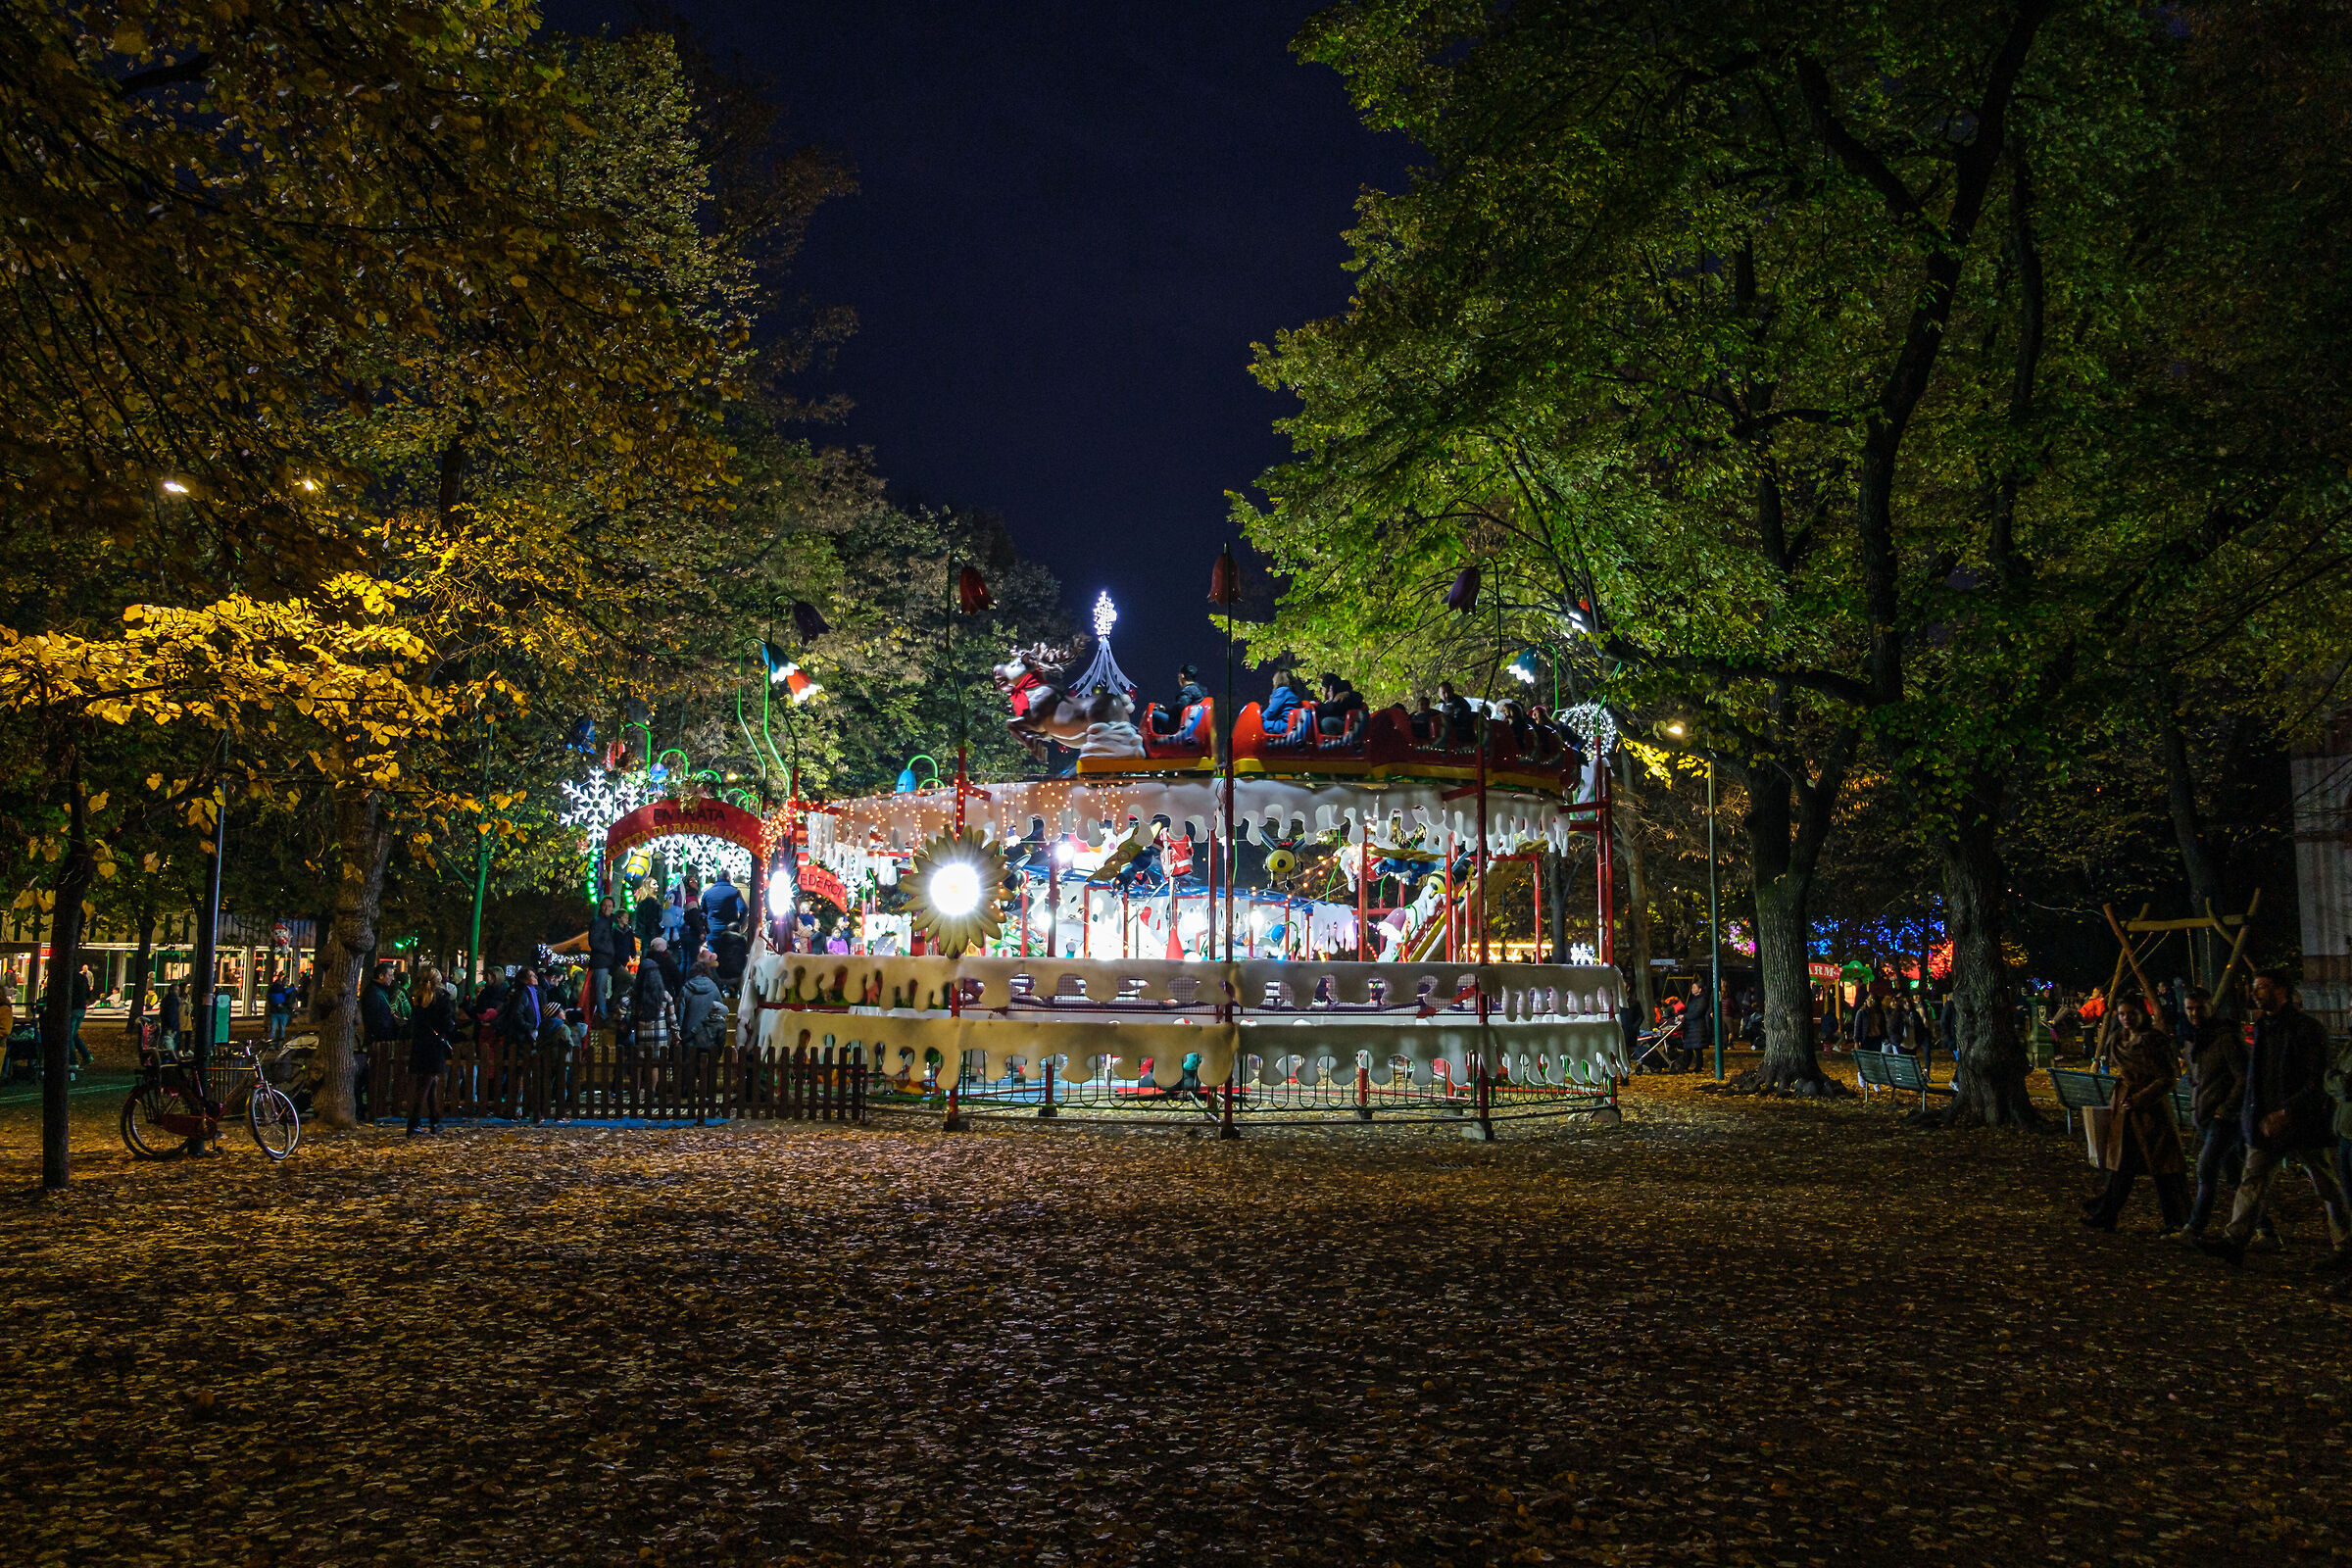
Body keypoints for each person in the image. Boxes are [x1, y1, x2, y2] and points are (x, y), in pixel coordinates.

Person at [2198, 970, 2352, 1269]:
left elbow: (2315, 1079)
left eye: (2263, 987)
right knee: (2253, 1179)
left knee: (2324, 1182)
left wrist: (2287, 1112)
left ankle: (2345, 1243)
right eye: (2255, 987)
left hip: (2300, 1122)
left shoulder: (2305, 1029)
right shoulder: (2265, 1027)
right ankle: (2234, 1239)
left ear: (2282, 990)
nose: (2255, 993)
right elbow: (2259, 1077)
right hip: (2267, 1121)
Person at [2082, 996, 2189, 1232]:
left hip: (2151, 1112)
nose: (2126, 1018)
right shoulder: (2118, 1040)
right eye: (2122, 1014)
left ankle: (2178, 1220)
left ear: (2141, 1013)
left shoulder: (2154, 1041)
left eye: (2131, 1013)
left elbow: (2167, 1077)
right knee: (2122, 1163)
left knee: (2164, 1167)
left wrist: (2141, 1098)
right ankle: (2105, 1213)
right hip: (2125, 1110)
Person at [2179, 986, 2274, 1246]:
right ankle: (2265, 1229)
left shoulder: (2225, 1039)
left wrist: (2226, 1109)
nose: (2194, 1013)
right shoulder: (2194, 1039)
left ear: (2211, 1007)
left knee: (2206, 1169)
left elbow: (2243, 1077)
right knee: (2235, 1175)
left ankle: (2194, 1227)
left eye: (2199, 1008)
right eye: (2190, 1008)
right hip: (2207, 1115)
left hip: (2224, 1118)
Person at [406, 967, 455, 1136]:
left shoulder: (417, 998)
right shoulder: (442, 998)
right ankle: (414, 1121)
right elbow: (446, 1022)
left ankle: (435, 1120)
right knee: (426, 1083)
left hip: (420, 1043)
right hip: (434, 1044)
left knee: (429, 1082)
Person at [358, 961, 405, 1123]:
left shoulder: (379, 992)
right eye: (389, 975)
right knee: (373, 1076)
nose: (392, 979)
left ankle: (369, 1106)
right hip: (378, 1040)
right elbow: (377, 1019)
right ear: (381, 976)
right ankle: (368, 1107)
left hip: (380, 1039)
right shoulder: (374, 994)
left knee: (374, 1075)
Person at [588, 896, 628, 1016]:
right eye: (605, 905)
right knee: (601, 989)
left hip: (611, 960)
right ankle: (603, 1015)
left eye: (609, 906)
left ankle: (611, 1005)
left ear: (613, 908)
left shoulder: (612, 921)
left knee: (628, 979)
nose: (607, 908)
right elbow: (593, 942)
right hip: (600, 961)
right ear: (601, 907)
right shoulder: (597, 922)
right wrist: (609, 950)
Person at [678, 956, 725, 1054]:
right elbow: (720, 1014)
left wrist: (679, 1034)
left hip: (689, 1037)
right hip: (710, 1037)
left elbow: (680, 1014)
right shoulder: (714, 988)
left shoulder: (686, 988)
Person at [633, 946, 675, 1054]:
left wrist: (623, 1020)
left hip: (641, 1035)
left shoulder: (636, 993)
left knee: (640, 1061)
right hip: (660, 1037)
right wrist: (676, 1033)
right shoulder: (665, 995)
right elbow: (672, 1018)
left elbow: (623, 1004)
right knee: (658, 1061)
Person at [1315, 672, 1366, 737]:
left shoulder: (1341, 698)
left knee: (1326, 722)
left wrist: (1317, 706)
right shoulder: (1330, 701)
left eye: (1323, 688)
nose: (1321, 690)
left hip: (1348, 728)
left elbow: (1331, 709)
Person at [265, 970, 292, 1044]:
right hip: (283, 1012)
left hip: (274, 1012)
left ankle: (272, 1043)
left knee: (273, 1028)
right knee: (282, 1028)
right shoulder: (287, 990)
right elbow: (290, 1000)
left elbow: (269, 998)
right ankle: (280, 1043)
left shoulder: (272, 990)